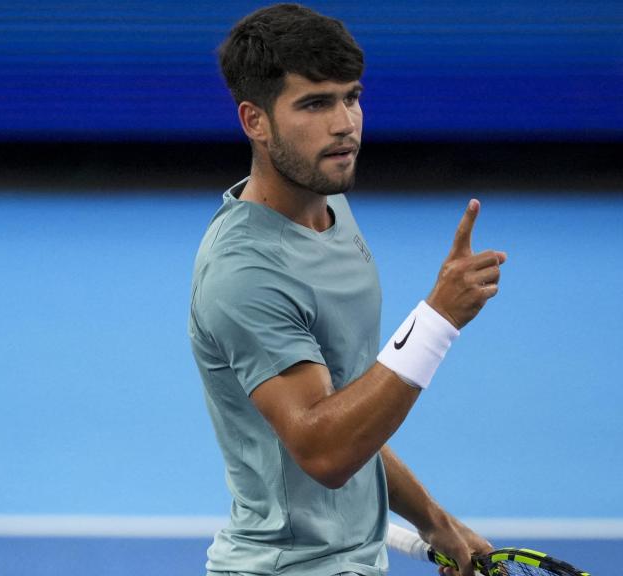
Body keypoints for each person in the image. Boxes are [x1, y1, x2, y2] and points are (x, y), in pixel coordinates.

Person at [188, 4, 506, 576]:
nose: (344, 124)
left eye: (351, 97)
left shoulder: (328, 202)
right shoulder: (245, 272)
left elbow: (348, 412)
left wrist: (432, 517)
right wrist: (436, 320)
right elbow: (325, 449)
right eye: (314, 104)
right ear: (254, 120)